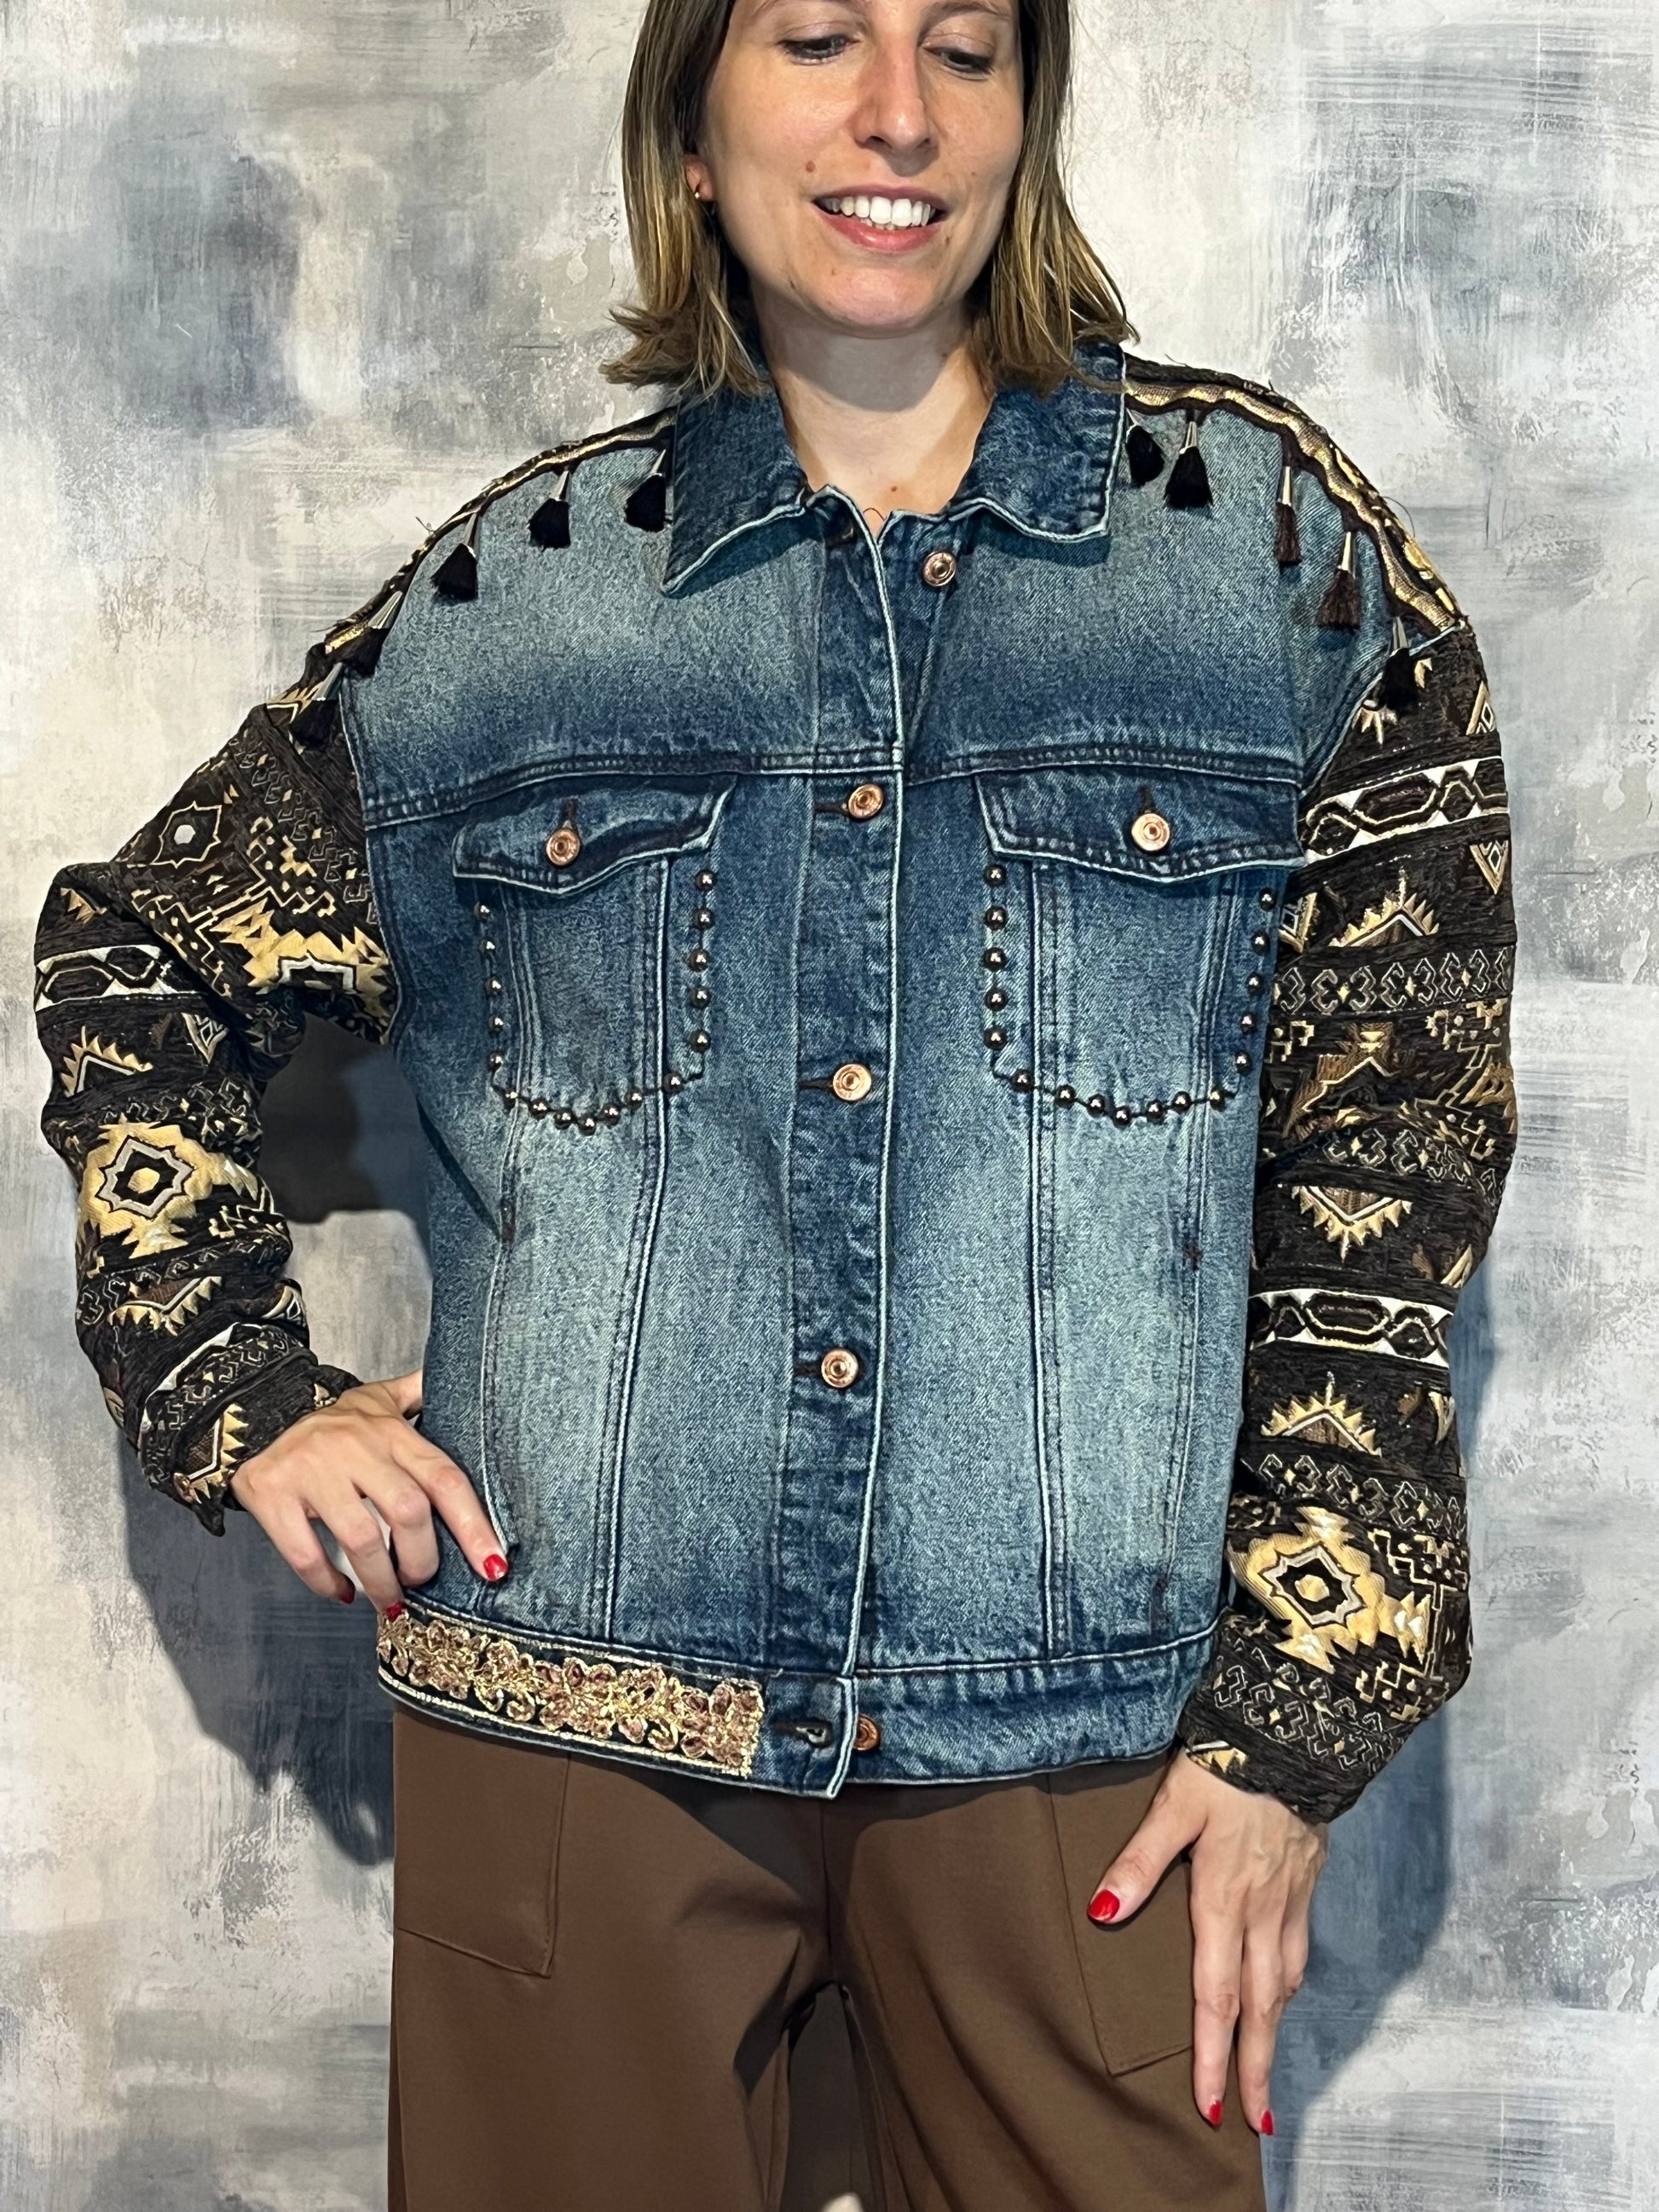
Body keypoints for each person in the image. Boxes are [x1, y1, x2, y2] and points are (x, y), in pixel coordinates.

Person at [32, 2, 1519, 2207]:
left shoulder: (1273, 571)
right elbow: (139, 959)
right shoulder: (511, 615)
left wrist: (1299, 1716)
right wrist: (230, 1385)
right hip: (577, 1716)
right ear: (694, 129)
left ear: (1027, 114)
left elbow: (1396, 1156)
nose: (896, 113)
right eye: (818, 37)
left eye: (964, 49)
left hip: (1087, 1755)